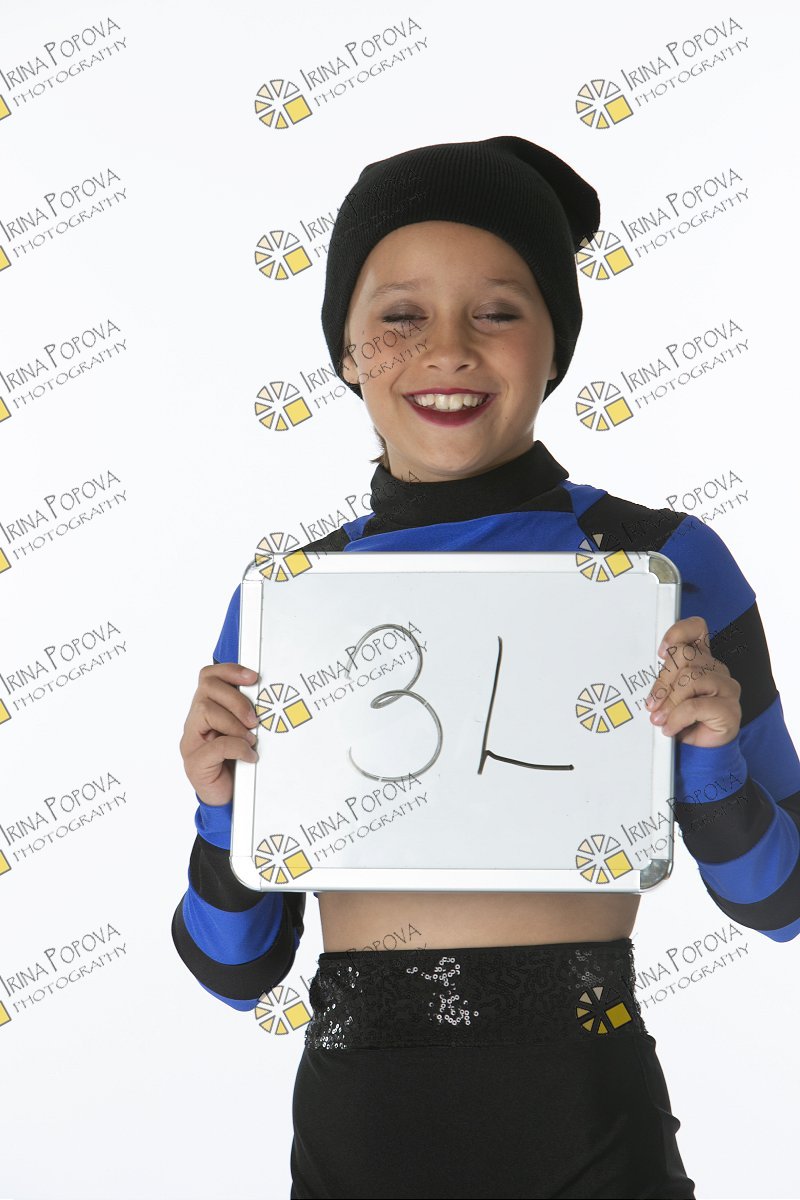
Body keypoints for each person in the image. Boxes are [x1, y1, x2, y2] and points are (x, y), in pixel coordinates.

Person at [171, 136, 800, 1199]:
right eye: (400, 316)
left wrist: (711, 761)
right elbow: (235, 970)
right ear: (345, 351)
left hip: (586, 1122)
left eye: (498, 312)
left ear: (555, 345)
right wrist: (223, 809)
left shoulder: (656, 563)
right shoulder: (293, 598)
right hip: (356, 1135)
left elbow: (781, 902)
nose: (448, 349)